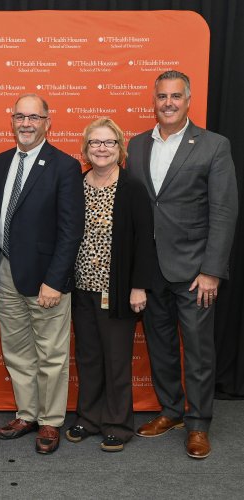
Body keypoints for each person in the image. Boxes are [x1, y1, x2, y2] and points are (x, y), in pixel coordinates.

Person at [127, 70, 238, 459]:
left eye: (175, 96)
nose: (168, 103)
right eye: (162, 96)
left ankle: (198, 423)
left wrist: (211, 270)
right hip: (150, 269)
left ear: (187, 100)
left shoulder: (213, 145)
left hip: (195, 271)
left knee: (198, 350)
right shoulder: (137, 145)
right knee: (159, 347)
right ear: (153, 101)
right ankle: (171, 411)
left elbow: (224, 211)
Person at [0, 94, 85, 454]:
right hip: (7, 271)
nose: (26, 124)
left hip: (47, 278)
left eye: (34, 117)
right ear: (11, 120)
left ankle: (50, 422)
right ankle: (27, 414)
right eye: (19, 117)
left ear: (47, 122)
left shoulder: (64, 166)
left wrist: (55, 280)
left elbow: (72, 230)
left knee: (52, 354)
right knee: (17, 351)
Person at [65, 118, 156, 452]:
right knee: (88, 357)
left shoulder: (132, 187)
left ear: (120, 148)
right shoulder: (76, 183)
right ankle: (88, 418)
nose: (101, 149)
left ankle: (117, 423)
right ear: (86, 148)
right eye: (95, 143)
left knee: (116, 359)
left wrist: (138, 287)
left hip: (116, 289)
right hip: (81, 289)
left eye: (108, 143)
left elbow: (145, 241)